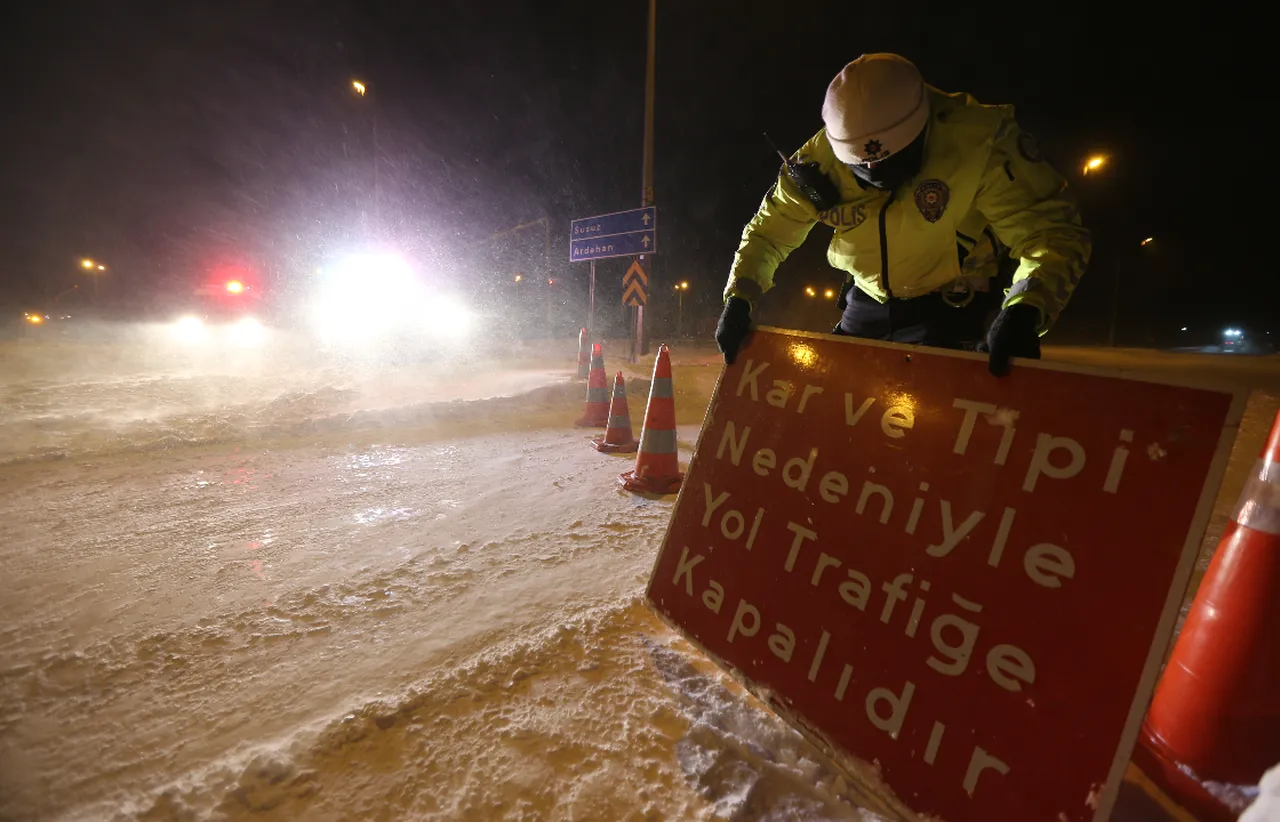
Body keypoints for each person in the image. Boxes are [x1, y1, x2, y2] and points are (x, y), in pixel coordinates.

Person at [715, 53, 1091, 376]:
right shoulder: (818, 163)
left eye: (894, 162)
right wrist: (739, 298)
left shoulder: (979, 143)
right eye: (862, 171)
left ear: (923, 128)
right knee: (837, 419)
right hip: (865, 305)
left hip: (950, 308)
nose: (879, 179)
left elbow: (1049, 232)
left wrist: (1026, 309)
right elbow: (768, 234)